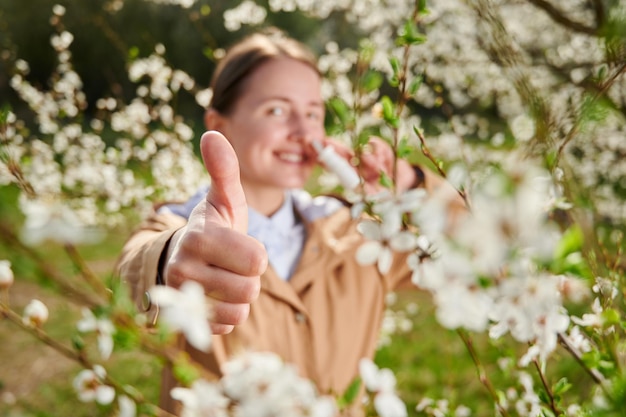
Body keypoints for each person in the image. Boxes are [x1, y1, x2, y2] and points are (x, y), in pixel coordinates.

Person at [116, 29, 465, 415]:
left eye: (313, 113)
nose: (302, 132)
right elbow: (132, 272)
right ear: (220, 124)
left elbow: (482, 259)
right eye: (277, 110)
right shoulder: (178, 226)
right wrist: (169, 264)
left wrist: (413, 188)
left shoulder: (358, 231)